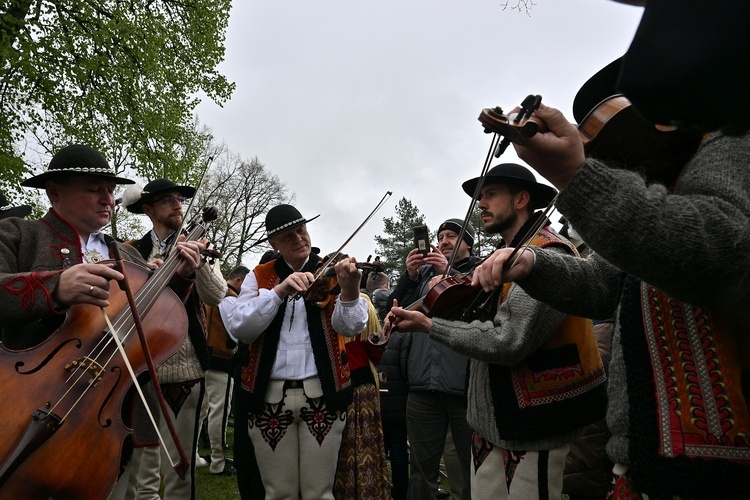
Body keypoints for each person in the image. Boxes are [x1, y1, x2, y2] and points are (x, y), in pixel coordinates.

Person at [471, 69, 750, 498]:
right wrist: (534, 265)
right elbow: (606, 282)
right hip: (643, 458)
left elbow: (718, 250)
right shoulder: (668, 183)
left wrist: (574, 176)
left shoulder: (734, 138)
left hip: (718, 465)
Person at [388, 164, 607, 500]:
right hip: (493, 426)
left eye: (491, 195)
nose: (480, 204)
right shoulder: (500, 257)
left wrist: (428, 325)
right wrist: (418, 306)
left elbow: (508, 342)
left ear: (521, 199)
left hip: (536, 424)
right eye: (480, 197)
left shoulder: (548, 254)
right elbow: (474, 319)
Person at [0, 145, 204, 498]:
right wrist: (56, 286)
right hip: (20, 397)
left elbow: (150, 325)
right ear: (55, 192)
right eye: (95, 189)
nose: (107, 199)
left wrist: (180, 278)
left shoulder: (126, 255)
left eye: (110, 190)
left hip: (102, 412)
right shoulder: (18, 233)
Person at [228, 204, 370, 499]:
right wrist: (279, 293)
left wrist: (350, 291)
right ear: (273, 244)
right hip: (269, 396)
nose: (299, 239)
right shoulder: (260, 275)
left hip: (322, 393)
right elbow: (241, 329)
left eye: (301, 230)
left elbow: (350, 327)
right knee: (279, 492)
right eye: (288, 236)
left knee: (319, 492)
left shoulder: (331, 270)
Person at [120, 178, 227, 500]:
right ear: (148, 209)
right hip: (141, 370)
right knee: (144, 468)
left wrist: (199, 265)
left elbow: (217, 296)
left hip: (187, 370)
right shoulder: (129, 250)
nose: (178, 203)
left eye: (180, 198)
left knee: (182, 471)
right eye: (168, 200)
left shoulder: (199, 245)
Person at [386, 217, 481, 500]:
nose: (443, 240)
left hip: (464, 387)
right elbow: (392, 309)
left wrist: (449, 273)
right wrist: (410, 276)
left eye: (452, 235)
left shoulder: (480, 271)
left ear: (468, 243)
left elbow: (480, 310)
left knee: (470, 469)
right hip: (422, 385)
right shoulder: (424, 280)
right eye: (440, 237)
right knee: (421, 469)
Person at [334, 293, 392, 499]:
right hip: (364, 383)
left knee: (341, 443)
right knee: (366, 441)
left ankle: (344, 489)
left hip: (339, 380)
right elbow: (374, 354)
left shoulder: (328, 303)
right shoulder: (364, 302)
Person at [197, 264, 250, 476]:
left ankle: (195, 456)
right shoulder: (229, 298)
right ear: (238, 281)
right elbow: (236, 331)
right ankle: (218, 462)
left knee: (202, 412)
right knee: (219, 413)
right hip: (220, 361)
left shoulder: (214, 294)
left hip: (207, 359)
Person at [378, 330, 410, 500]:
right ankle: (401, 492)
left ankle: (379, 489)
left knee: (379, 451)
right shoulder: (401, 337)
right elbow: (406, 368)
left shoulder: (371, 334)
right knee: (399, 450)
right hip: (398, 403)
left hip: (378, 400)